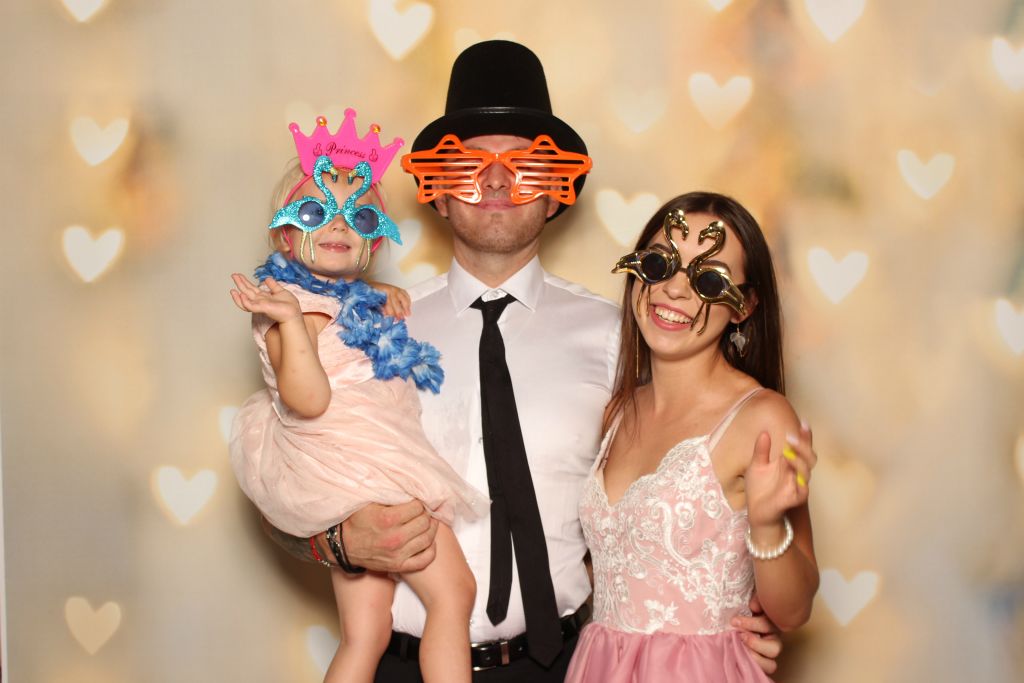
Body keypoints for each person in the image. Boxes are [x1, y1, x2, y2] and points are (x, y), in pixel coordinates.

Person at [260, 41, 786, 682]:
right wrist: (337, 542)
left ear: (556, 193)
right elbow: (286, 470)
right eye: (468, 166)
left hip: (567, 664)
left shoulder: (625, 334)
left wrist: (728, 615)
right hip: (402, 665)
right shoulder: (368, 326)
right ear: (438, 194)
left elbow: (691, 481)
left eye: (527, 166)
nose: (496, 182)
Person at [228, 109, 489, 683]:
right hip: (367, 472)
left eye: (360, 216)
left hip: (346, 479)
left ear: (371, 240)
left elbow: (347, 315)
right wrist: (292, 323)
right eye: (316, 212)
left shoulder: (340, 301)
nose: (339, 225)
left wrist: (375, 293)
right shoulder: (292, 313)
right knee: (454, 594)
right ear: (285, 233)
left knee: (366, 633)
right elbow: (307, 399)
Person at [564, 193, 819, 682]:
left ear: (744, 306)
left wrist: (767, 526)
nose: (675, 289)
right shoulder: (617, 411)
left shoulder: (763, 418)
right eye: (660, 264)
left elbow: (793, 611)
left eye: (709, 280)